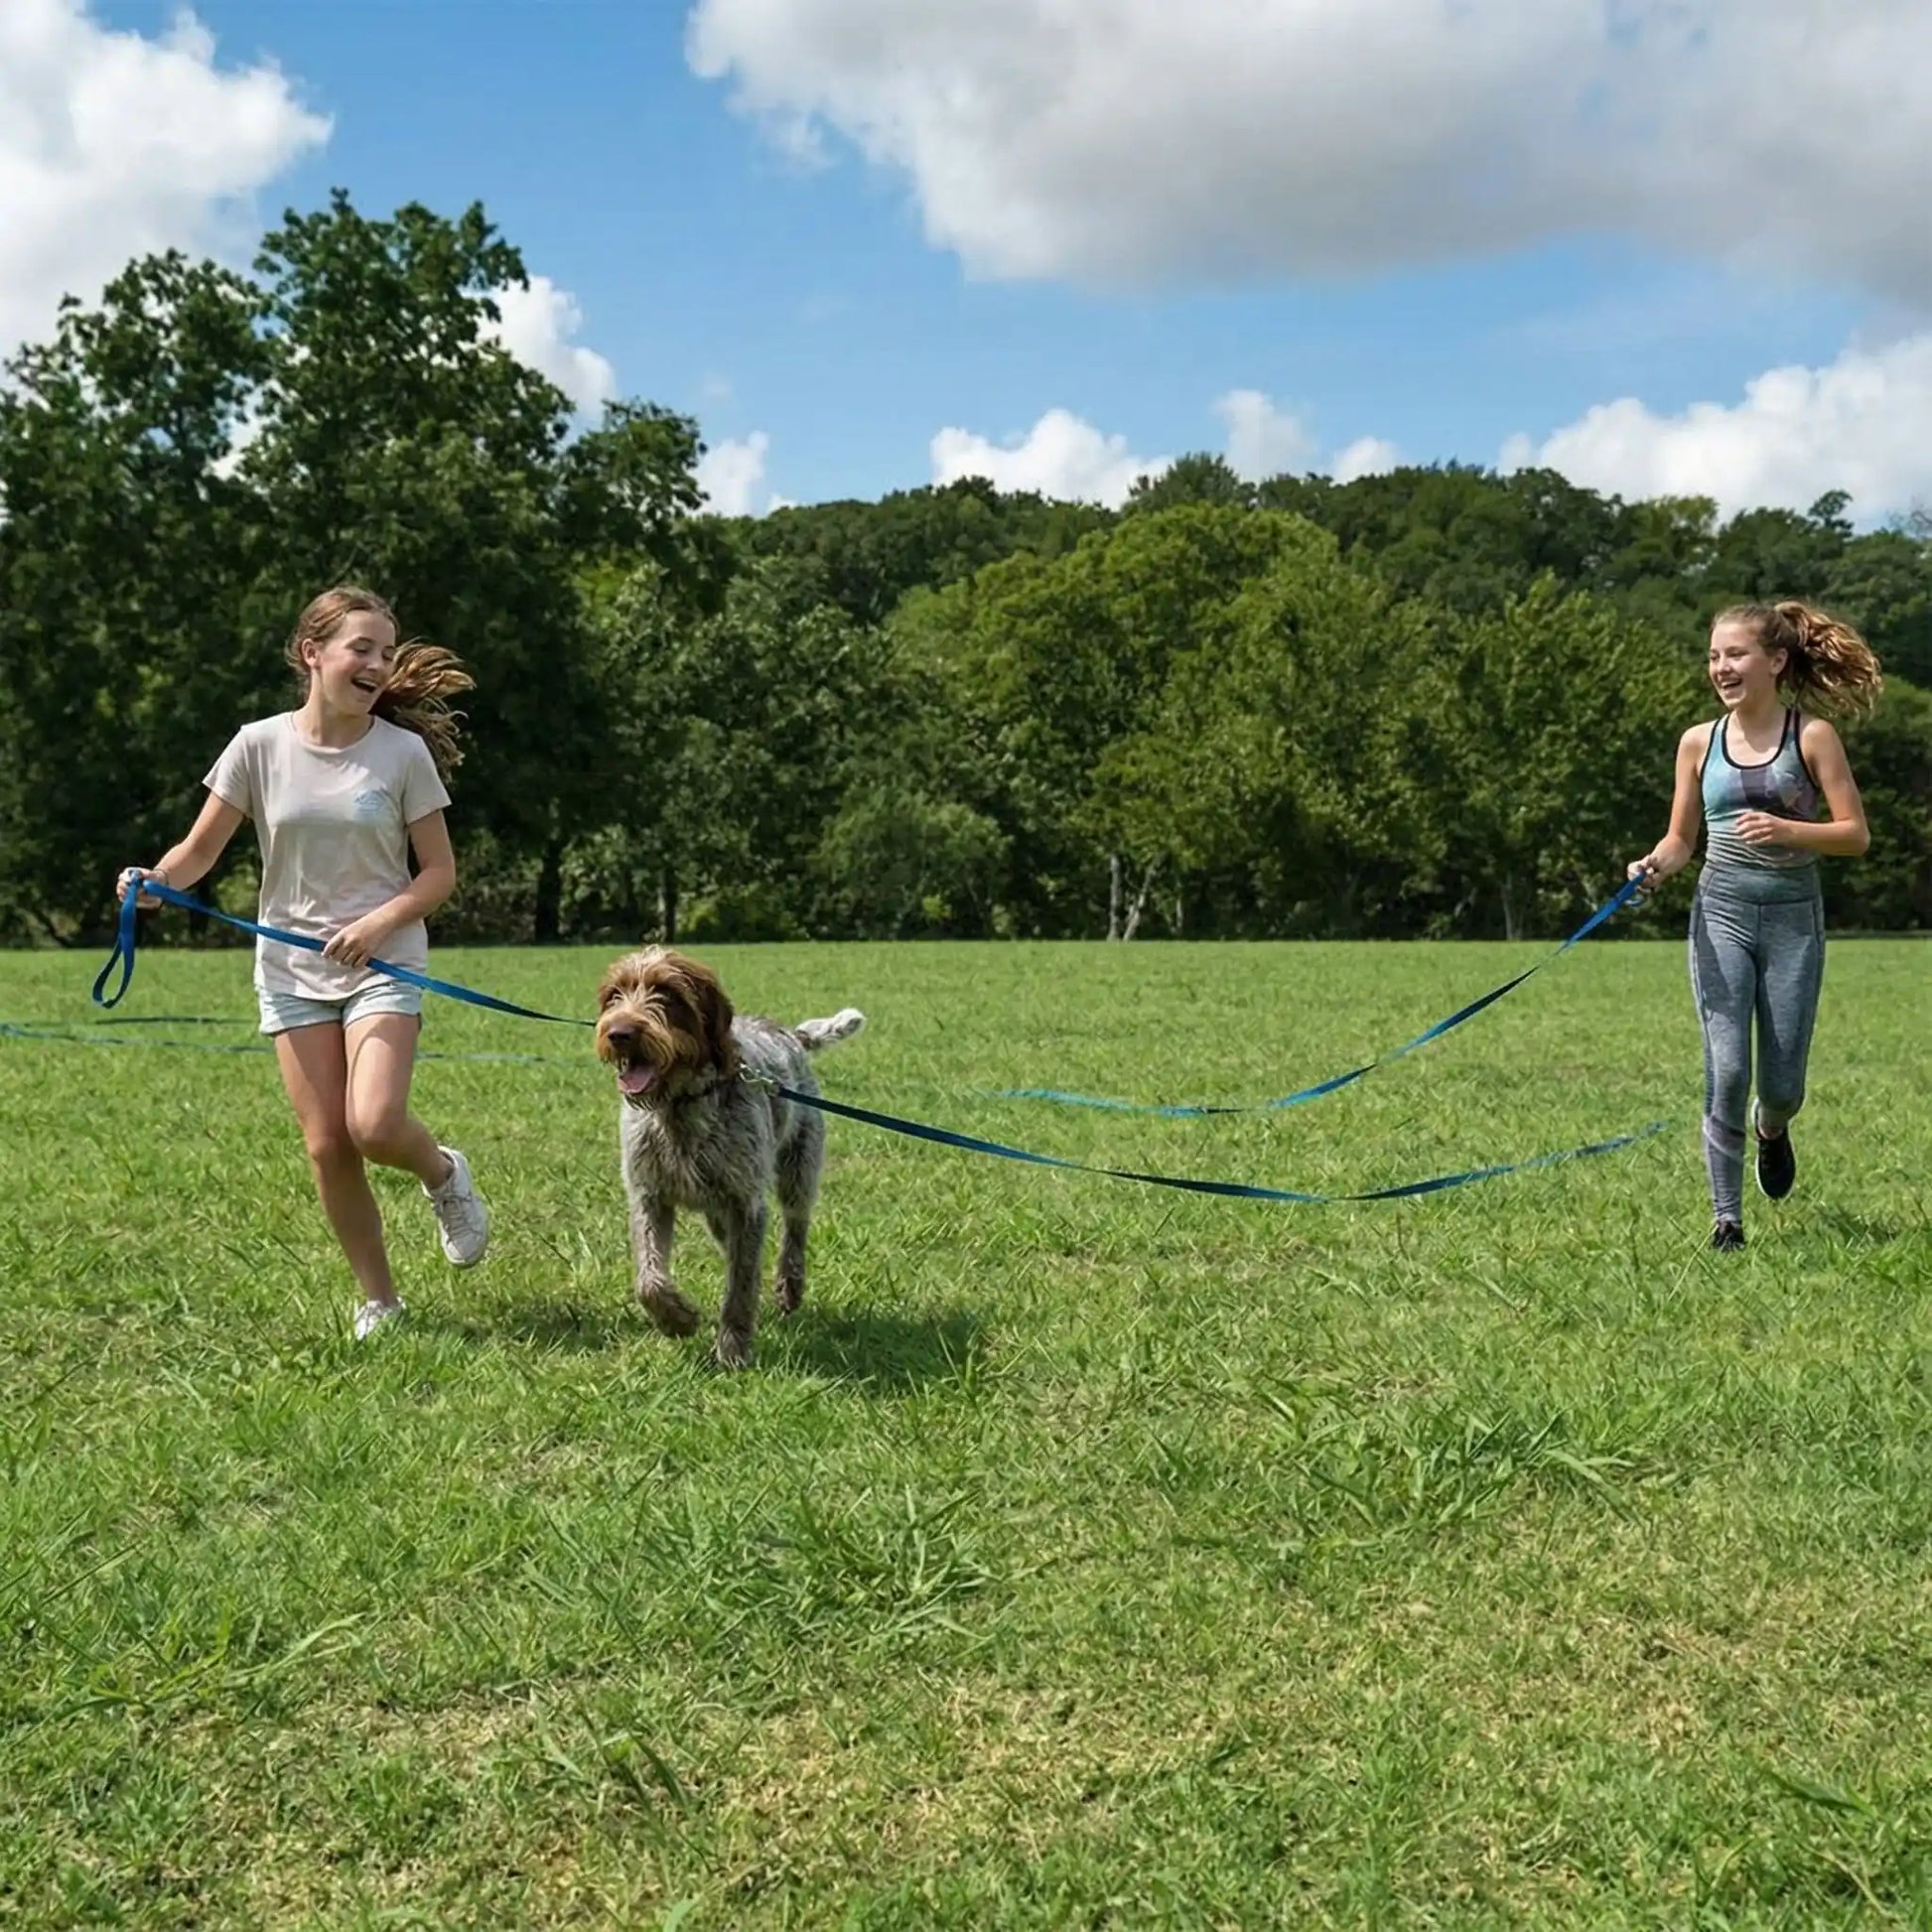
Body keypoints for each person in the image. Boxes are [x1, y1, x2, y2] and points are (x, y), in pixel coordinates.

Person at [117, 586, 489, 1335]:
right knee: (327, 1145)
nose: (378, 665)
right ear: (312, 653)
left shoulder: (402, 753)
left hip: (382, 962)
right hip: (292, 971)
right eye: (362, 648)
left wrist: (377, 925)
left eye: (387, 653)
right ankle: (381, 1301)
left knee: (374, 1124)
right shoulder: (258, 746)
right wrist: (154, 882)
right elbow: (198, 851)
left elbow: (438, 873)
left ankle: (443, 1173)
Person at [1627, 601, 1881, 1250]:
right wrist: (1653, 867)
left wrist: (1789, 830)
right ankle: (1727, 1221)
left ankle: (1772, 1128)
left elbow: (1854, 835)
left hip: (1794, 921)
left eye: (1735, 654)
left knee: (1782, 1086)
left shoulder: (1812, 736)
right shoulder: (1698, 742)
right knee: (1729, 1068)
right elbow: (1681, 839)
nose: (1722, 667)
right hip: (1722, 915)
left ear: (1776, 660)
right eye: (1714, 656)